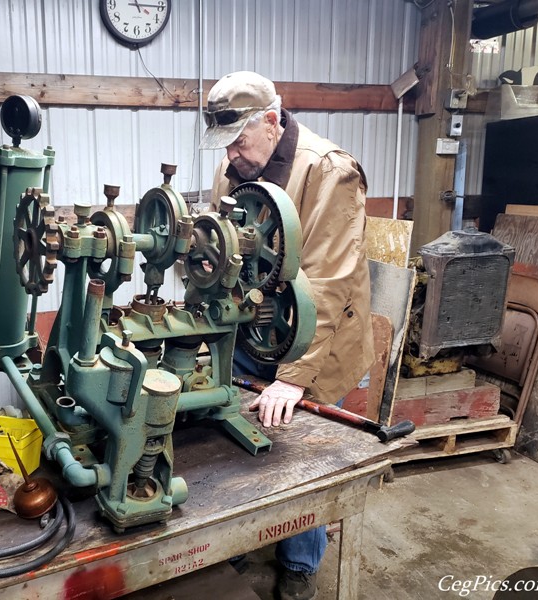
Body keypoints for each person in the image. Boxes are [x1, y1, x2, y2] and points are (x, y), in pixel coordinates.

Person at [200, 71, 375, 600]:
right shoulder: (233, 168)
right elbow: (219, 253)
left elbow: (326, 284)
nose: (229, 156)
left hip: (320, 345)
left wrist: (294, 379)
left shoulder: (331, 173)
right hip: (258, 334)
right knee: (223, 424)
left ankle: (299, 563)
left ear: (272, 121)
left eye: (238, 141)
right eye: (223, 144)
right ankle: (240, 529)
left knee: (300, 459)